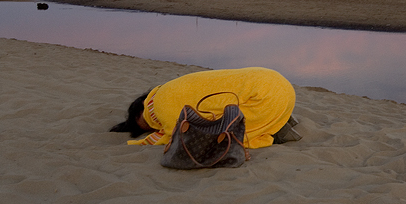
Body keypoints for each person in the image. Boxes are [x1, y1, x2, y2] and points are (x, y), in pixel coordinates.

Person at [110, 67, 300, 149]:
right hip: (279, 82)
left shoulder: (161, 106)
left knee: (213, 133)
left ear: (142, 109)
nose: (150, 125)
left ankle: (274, 129)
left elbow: (172, 134)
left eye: (143, 122)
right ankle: (280, 119)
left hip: (266, 97)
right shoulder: (167, 88)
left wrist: (138, 142)